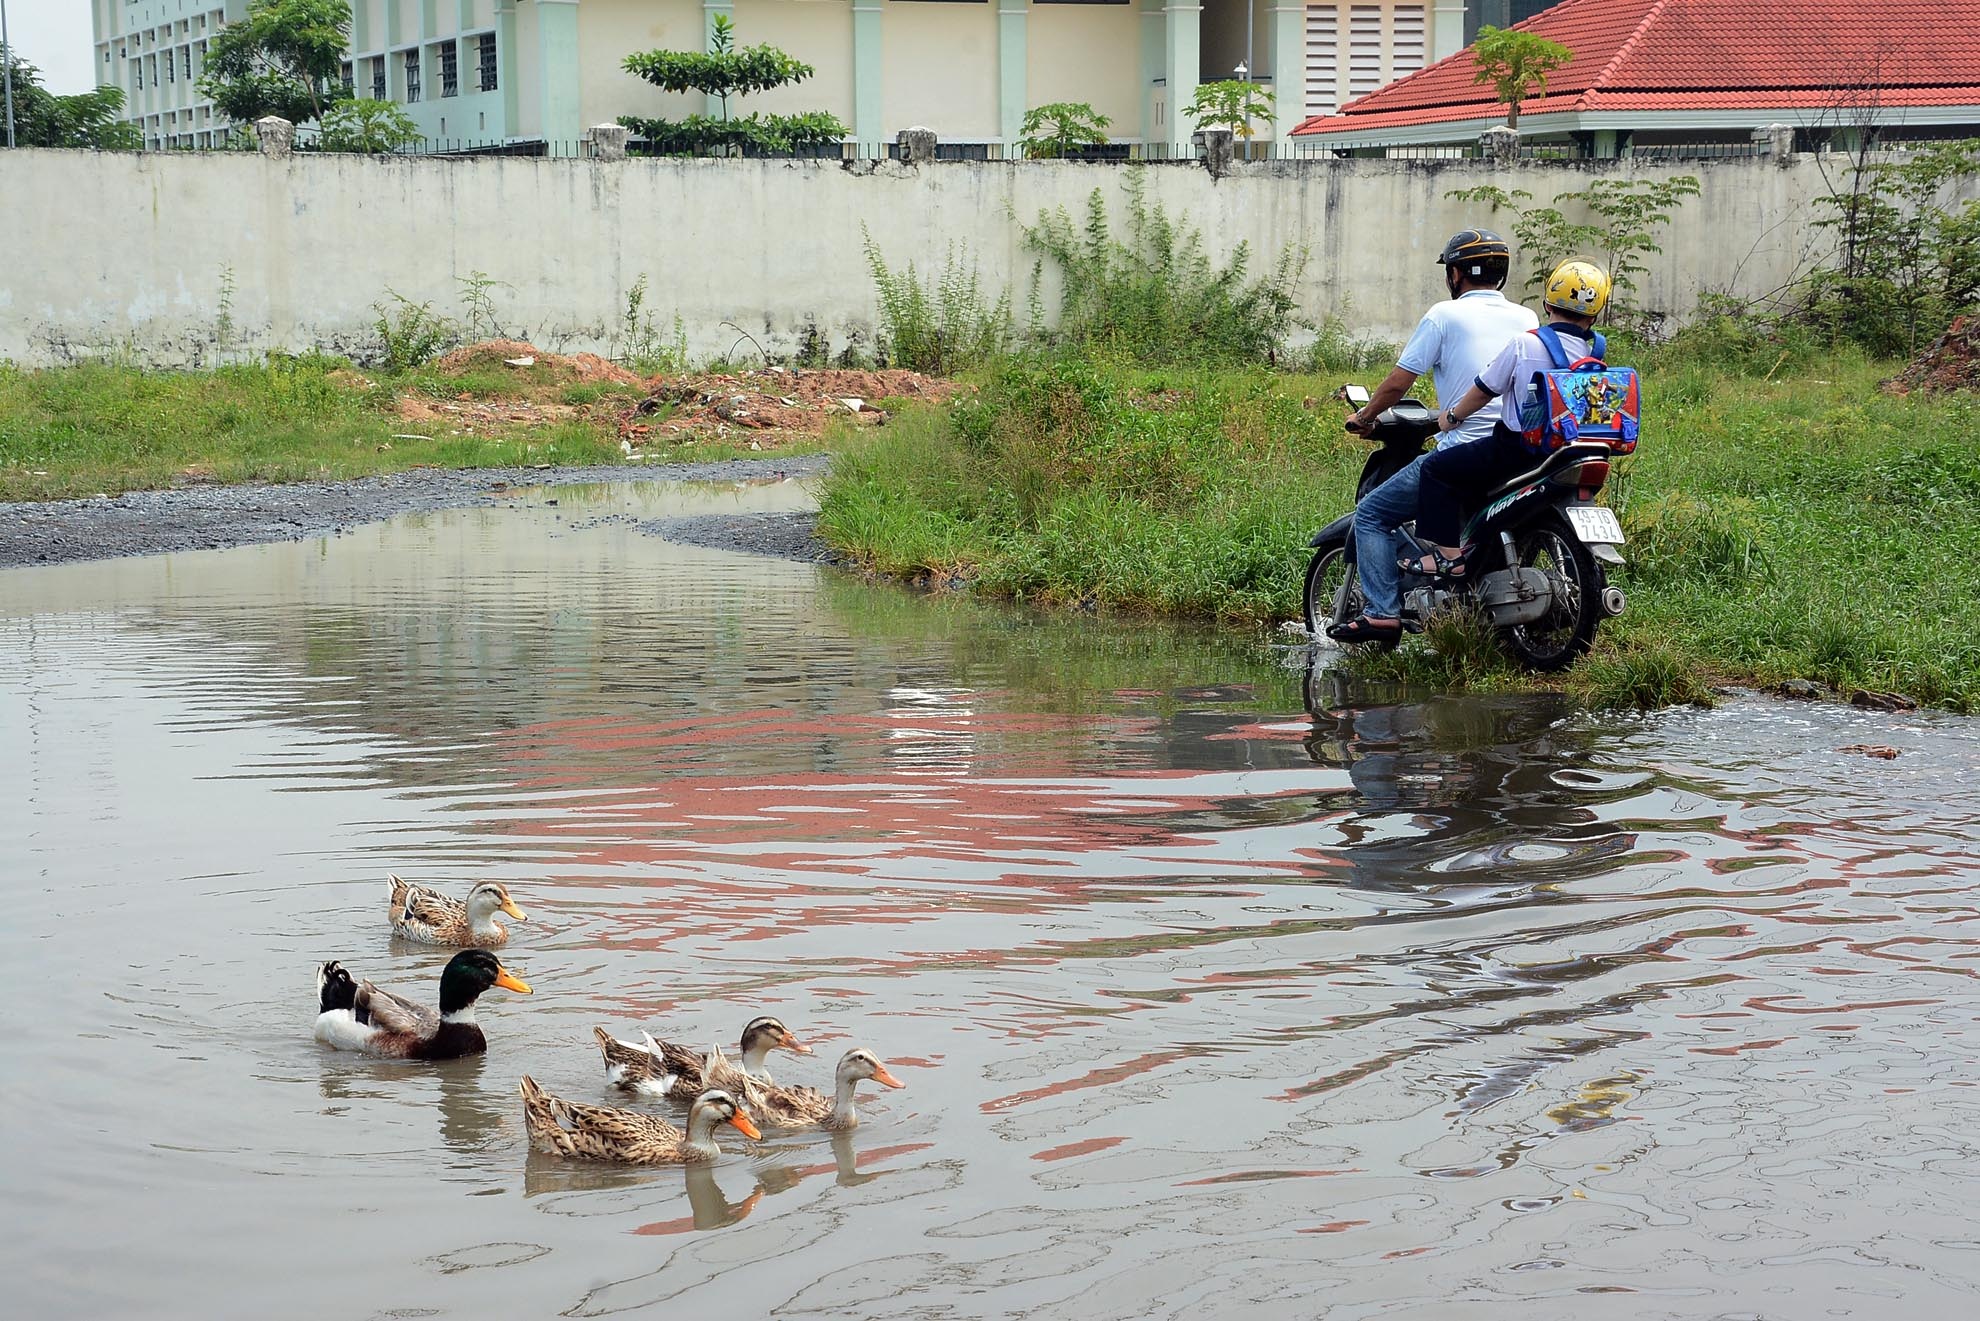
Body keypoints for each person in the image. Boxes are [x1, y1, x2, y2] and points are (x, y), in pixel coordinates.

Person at [1327, 229, 1538, 644]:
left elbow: (1398, 384)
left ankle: (1382, 613)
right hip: (1517, 448)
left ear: (1456, 274)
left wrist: (1366, 416)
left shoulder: (1444, 315)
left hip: (1464, 447)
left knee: (1371, 514)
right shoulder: (1527, 318)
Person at [1407, 259, 1613, 578]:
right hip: (1575, 451)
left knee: (1436, 469)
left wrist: (1451, 417)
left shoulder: (1526, 344)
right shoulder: (1594, 353)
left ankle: (1449, 556)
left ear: (1546, 304)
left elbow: (1484, 390)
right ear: (1595, 314)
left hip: (1519, 451)